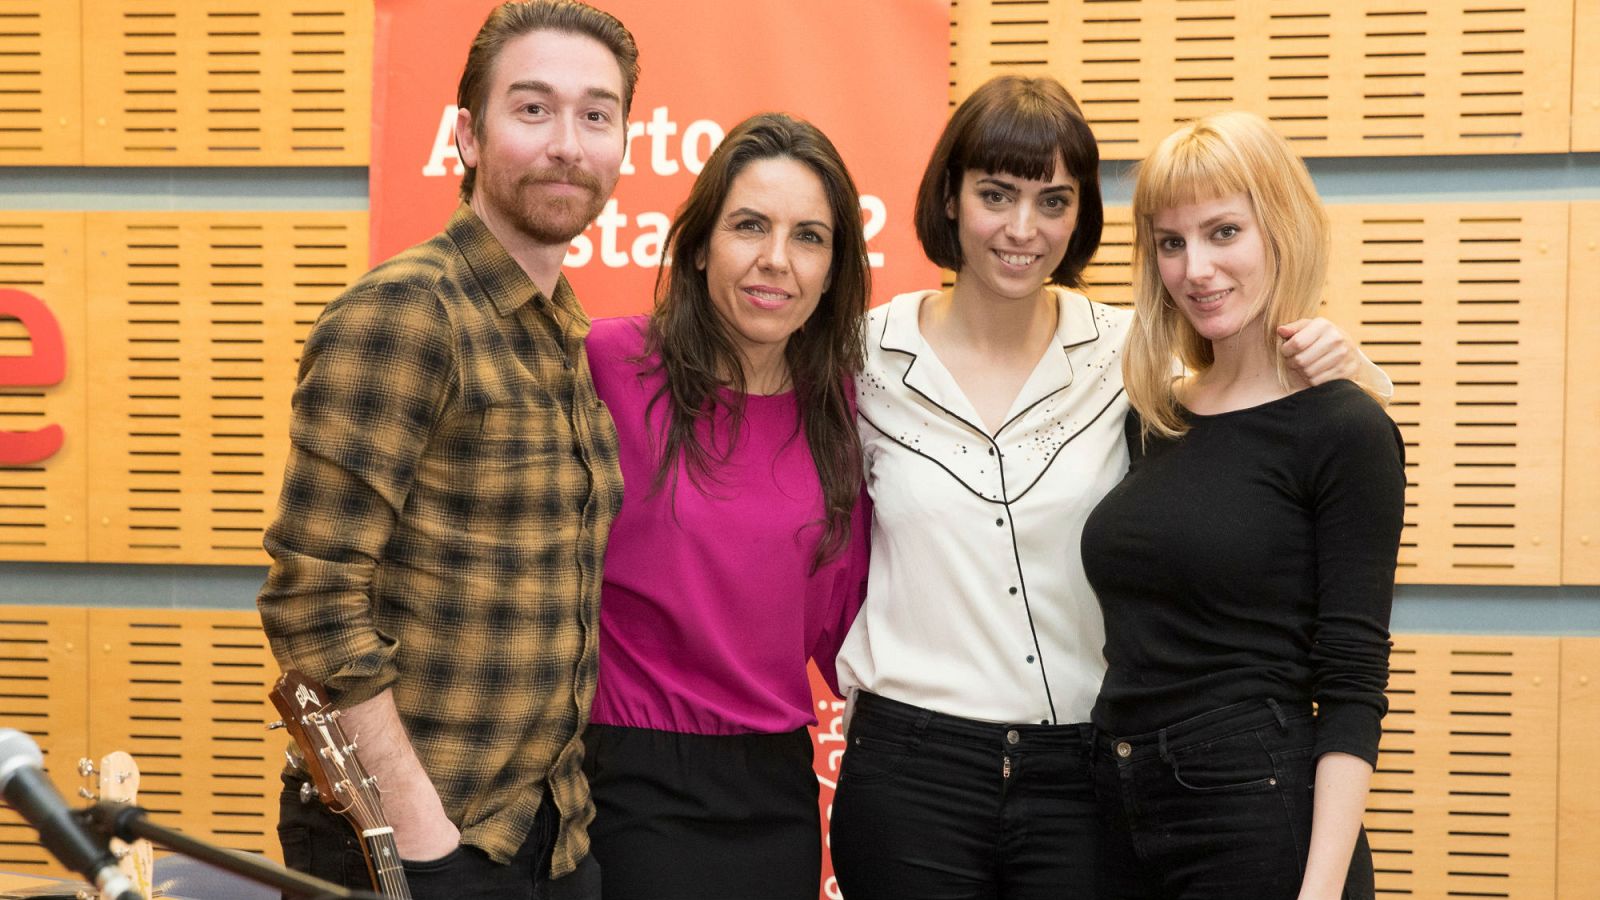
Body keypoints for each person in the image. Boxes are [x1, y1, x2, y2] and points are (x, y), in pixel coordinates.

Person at [829, 76, 1390, 899]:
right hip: (914, 768)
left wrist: (1352, 363)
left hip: (1086, 778)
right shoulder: (859, 356)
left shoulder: (1131, 359)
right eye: (995, 195)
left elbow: (1290, 425)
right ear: (948, 200)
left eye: (1053, 200)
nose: (1023, 229)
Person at [255, 3, 637, 897]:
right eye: (532, 109)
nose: (568, 145)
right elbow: (312, 602)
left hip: (544, 836)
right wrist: (420, 836)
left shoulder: (560, 329)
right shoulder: (409, 313)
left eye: (596, 114)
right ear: (467, 134)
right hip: (408, 840)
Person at [1081, 110, 1405, 900]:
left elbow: (1354, 684)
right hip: (1116, 814)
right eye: (1171, 241)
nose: (1196, 268)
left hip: (1256, 818)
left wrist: (1320, 890)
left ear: (1281, 229)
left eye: (1224, 232)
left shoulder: (1345, 427)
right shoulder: (1154, 415)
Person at [579, 113, 871, 900]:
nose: (776, 261)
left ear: (834, 267)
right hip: (626, 781)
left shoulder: (849, 412)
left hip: (777, 787)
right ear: (701, 245)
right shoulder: (609, 364)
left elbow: (847, 627)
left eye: (809, 237)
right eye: (750, 226)